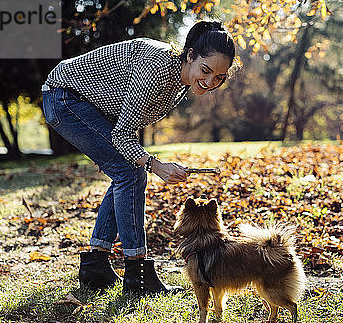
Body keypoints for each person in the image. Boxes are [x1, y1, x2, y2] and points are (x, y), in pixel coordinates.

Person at [41, 20, 236, 294]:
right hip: (64, 97)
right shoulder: (158, 68)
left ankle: (96, 265)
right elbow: (122, 135)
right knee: (132, 173)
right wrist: (156, 165)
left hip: (85, 106)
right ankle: (138, 274)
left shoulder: (179, 82)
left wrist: (105, 147)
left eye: (219, 77)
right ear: (190, 55)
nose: (210, 81)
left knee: (125, 172)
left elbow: (123, 112)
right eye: (206, 70)